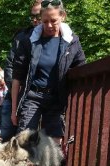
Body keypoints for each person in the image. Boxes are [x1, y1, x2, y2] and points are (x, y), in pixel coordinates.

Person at [11, 0, 86, 145]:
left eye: (53, 20)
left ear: (62, 16)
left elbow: (81, 69)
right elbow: (17, 77)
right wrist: (14, 109)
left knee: (54, 145)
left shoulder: (72, 41)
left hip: (57, 98)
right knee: (23, 141)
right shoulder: (29, 41)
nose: (49, 25)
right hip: (32, 97)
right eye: (45, 21)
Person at [1, 0, 42, 141]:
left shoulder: (60, 39)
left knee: (29, 142)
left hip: (40, 98)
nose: (35, 20)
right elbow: (10, 66)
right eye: (33, 17)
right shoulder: (21, 37)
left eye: (39, 16)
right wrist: (16, 91)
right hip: (15, 95)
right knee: (6, 137)